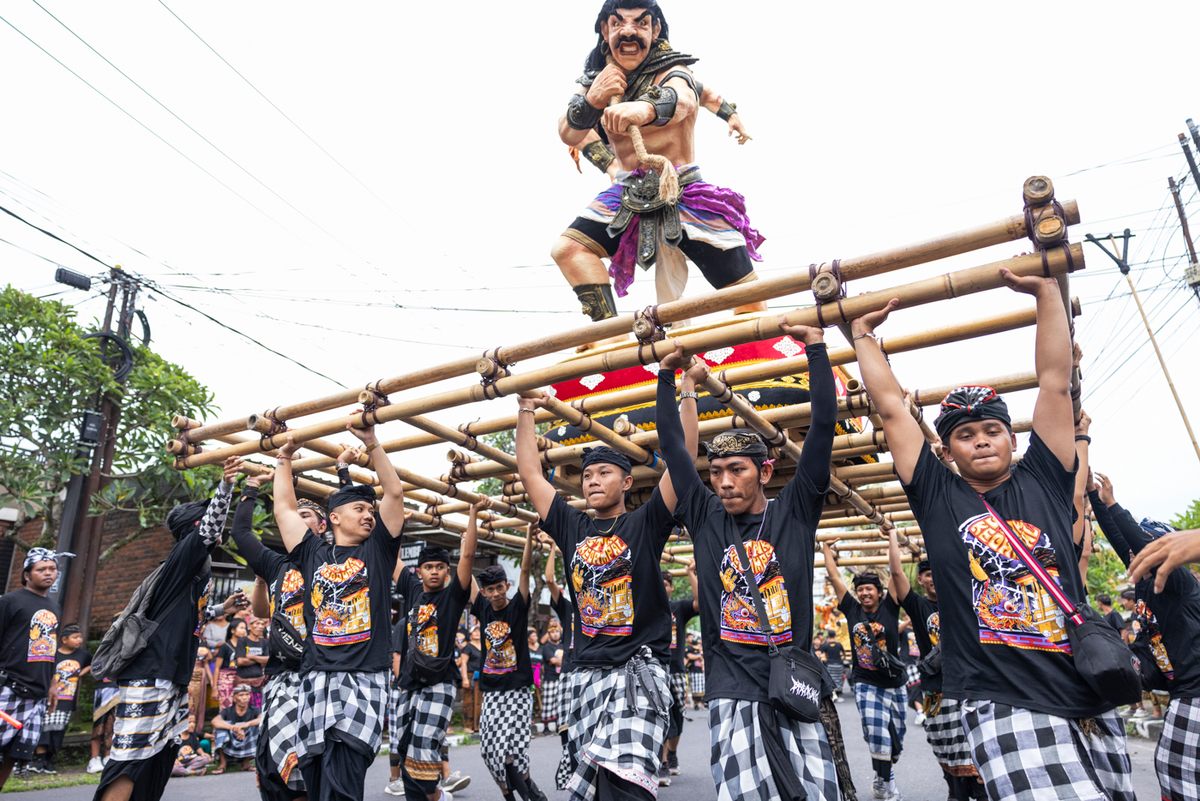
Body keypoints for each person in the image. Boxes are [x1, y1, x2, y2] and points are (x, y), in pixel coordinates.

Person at [849, 269, 1135, 800]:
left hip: (1087, 689)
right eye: (964, 435)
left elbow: (1054, 381)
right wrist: (862, 336)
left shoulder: (1046, 477)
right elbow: (891, 407)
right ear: (948, 449)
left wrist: (1046, 293)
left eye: (991, 430)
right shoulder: (937, 496)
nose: (980, 442)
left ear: (1010, 436)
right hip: (1003, 698)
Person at [655, 324, 841, 801]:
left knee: (814, 793)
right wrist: (669, 379)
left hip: (791, 685)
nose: (723, 482)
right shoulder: (703, 516)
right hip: (731, 688)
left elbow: (821, 429)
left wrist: (815, 349)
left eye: (736, 470)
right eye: (715, 473)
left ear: (765, 470)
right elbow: (675, 449)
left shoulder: (795, 512)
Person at [518, 382, 687, 800]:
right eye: (588, 475)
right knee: (592, 790)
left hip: (638, 673)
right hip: (586, 673)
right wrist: (525, 411)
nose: (593, 481)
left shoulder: (645, 524)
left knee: (627, 786)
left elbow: (680, 463)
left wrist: (684, 393)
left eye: (604, 473)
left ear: (627, 482)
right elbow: (529, 473)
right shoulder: (571, 526)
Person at [551, 0, 764, 321]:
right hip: (626, 193)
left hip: (683, 189)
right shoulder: (596, 81)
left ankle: (757, 343)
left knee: (747, 295)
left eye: (640, 23)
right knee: (569, 249)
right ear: (604, 29)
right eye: (618, 23)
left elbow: (686, 97)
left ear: (656, 29)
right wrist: (595, 100)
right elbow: (568, 131)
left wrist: (646, 109)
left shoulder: (674, 71)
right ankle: (607, 336)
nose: (628, 32)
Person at [94, 458, 247, 801]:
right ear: (196, 527)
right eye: (207, 520)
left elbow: (192, 615)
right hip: (150, 675)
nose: (216, 528)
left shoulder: (192, 573)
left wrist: (222, 609)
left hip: (172, 676)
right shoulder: (185, 556)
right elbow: (207, 532)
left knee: (159, 758)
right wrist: (226, 486)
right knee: (130, 760)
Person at [274, 423, 404, 801]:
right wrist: (283, 458)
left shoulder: (378, 550)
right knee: (315, 783)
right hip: (315, 681)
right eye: (359, 508)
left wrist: (371, 442)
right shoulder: (313, 552)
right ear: (334, 517)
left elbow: (394, 492)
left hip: (362, 682)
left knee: (342, 785)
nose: (368, 515)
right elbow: (283, 508)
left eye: (370, 509)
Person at [1088, 470, 1200, 801]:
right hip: (1179, 687)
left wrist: (1116, 505)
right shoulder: (1144, 580)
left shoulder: (1178, 584)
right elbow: (1125, 543)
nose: (1137, 556)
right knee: (1172, 768)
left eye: (1151, 548)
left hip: (1195, 691)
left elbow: (1136, 540)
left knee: (1175, 769)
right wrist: (1098, 499)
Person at [230, 469, 322, 801]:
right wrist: (251, 487)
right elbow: (240, 533)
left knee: (306, 770)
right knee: (271, 770)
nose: (294, 522)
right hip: (281, 677)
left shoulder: (332, 561)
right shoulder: (276, 566)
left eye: (306, 517)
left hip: (318, 678)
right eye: (291, 517)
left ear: (323, 527)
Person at [891, 542, 983, 801]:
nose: (933, 578)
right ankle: (956, 792)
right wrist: (892, 535)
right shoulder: (920, 608)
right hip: (935, 690)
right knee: (945, 750)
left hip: (968, 685)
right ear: (921, 579)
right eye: (928, 574)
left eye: (937, 572)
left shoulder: (964, 601)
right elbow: (897, 574)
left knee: (974, 749)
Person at [467, 511, 544, 801]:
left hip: (519, 688)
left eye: (501, 587)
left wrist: (528, 532)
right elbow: (466, 564)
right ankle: (512, 792)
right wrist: (470, 530)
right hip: (493, 690)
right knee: (490, 749)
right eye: (491, 589)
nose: (497, 593)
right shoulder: (482, 607)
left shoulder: (517, 608)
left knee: (514, 750)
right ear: (485, 592)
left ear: (507, 587)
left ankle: (528, 793)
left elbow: (524, 571)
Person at [0, 548, 64, 788]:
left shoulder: (54, 607)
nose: (48, 573)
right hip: (9, 686)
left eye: (52, 569)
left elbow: (52, 649)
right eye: (41, 569)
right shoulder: (9, 601)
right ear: (27, 574)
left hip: (38, 692)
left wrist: (54, 685)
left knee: (17, 751)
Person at [29, 622, 91, 776]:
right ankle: (39, 760)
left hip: (68, 699)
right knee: (45, 729)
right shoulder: (54, 654)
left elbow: (93, 664)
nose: (79, 640)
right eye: (75, 637)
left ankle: (49, 761)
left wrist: (80, 673)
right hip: (51, 698)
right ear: (64, 640)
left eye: (80, 637)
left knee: (59, 731)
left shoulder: (82, 655)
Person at [543, 537, 578, 793]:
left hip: (592, 669)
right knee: (566, 724)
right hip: (568, 671)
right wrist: (555, 547)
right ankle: (570, 763)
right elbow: (549, 580)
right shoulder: (567, 609)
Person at [659, 561, 698, 785]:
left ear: (672, 587)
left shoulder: (678, 608)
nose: (663, 587)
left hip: (676, 669)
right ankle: (662, 762)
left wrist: (689, 573)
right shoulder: (649, 605)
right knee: (662, 716)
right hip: (656, 668)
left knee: (678, 717)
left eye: (666, 584)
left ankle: (672, 753)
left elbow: (699, 603)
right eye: (660, 583)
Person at [212, 684, 262, 773]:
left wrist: (246, 725)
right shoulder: (227, 711)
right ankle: (223, 764)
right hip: (230, 742)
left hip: (246, 740)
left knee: (257, 727)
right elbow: (215, 721)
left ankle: (246, 763)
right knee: (220, 729)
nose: (245, 697)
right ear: (235, 698)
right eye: (241, 695)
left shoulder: (254, 710)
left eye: (247, 694)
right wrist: (234, 728)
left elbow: (262, 719)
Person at [539, 619, 565, 738]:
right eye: (552, 632)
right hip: (550, 678)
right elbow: (554, 661)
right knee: (548, 702)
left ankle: (558, 725)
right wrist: (562, 661)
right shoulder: (546, 647)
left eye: (557, 632)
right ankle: (545, 727)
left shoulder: (562, 645)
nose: (555, 634)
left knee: (559, 702)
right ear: (549, 634)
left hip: (561, 678)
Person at [215, 619, 246, 711]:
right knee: (226, 705)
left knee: (242, 705)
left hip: (241, 677)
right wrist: (214, 688)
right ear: (232, 630)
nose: (244, 630)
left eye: (245, 628)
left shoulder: (245, 645)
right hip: (226, 679)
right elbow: (217, 667)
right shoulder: (225, 646)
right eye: (241, 628)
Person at [817, 630, 846, 699]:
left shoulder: (825, 645)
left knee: (831, 679)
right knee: (838, 679)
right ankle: (837, 693)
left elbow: (820, 655)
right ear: (835, 635)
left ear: (828, 636)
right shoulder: (839, 644)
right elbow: (843, 654)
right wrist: (842, 659)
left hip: (829, 665)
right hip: (839, 665)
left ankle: (833, 694)